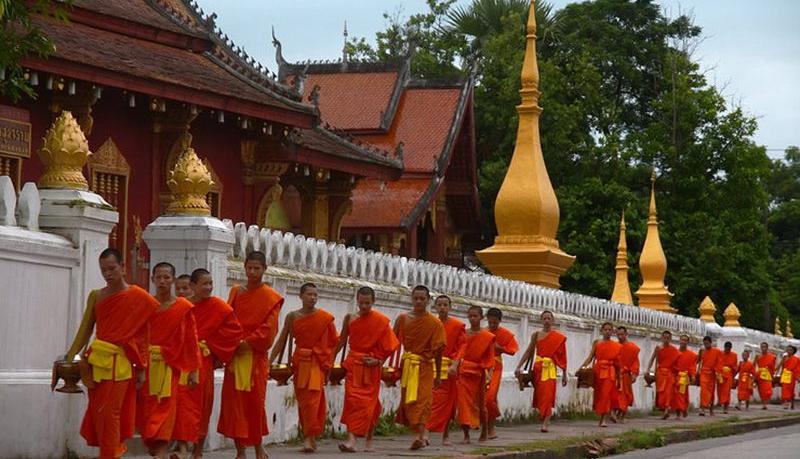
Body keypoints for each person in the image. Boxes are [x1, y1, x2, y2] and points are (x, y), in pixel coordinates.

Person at [63, 248, 159, 459]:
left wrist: (142, 368)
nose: (108, 274)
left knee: (111, 413)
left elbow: (143, 337)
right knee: (99, 414)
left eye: (112, 268)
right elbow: (86, 328)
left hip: (120, 365)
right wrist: (70, 356)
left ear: (123, 267)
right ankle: (112, 451)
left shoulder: (139, 297)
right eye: (103, 270)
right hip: (96, 363)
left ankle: (110, 455)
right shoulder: (97, 296)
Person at [218, 252, 284, 459]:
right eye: (249, 268)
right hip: (235, 356)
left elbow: (269, 328)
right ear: (244, 268)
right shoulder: (236, 292)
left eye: (257, 268)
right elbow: (227, 319)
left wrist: (247, 342)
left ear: (265, 269)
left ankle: (258, 447)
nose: (253, 272)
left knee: (255, 404)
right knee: (234, 404)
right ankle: (240, 451)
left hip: (255, 357)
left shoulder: (271, 297)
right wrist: (233, 342)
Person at [176, 268, 243, 459]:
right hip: (183, 361)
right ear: (193, 286)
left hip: (203, 360)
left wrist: (212, 346)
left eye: (210, 283)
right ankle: (182, 447)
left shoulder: (219, 306)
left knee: (203, 405)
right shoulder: (182, 306)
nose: (208, 287)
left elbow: (234, 332)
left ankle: (197, 450)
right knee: (182, 403)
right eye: (204, 284)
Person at [137, 262, 201, 459]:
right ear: (152, 279)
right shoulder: (146, 304)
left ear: (173, 279)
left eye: (167, 277)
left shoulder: (183, 307)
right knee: (148, 409)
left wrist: (193, 371)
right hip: (147, 365)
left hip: (170, 365)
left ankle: (162, 450)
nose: (162, 281)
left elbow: (191, 340)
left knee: (165, 408)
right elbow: (137, 335)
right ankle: (155, 446)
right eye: (159, 277)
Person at [270, 283, 338, 453]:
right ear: (300, 296)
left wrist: (328, 365)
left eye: (315, 295)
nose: (312, 298)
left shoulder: (325, 318)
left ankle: (309, 438)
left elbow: (332, 344)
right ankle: (310, 436)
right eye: (309, 294)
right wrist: (269, 359)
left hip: (316, 364)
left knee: (313, 401)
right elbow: (282, 339)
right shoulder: (292, 317)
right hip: (300, 364)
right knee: (304, 402)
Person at [336, 286, 399, 453]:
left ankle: (369, 439)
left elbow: (391, 345)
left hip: (371, 369)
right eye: (361, 303)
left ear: (373, 302)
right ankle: (351, 440)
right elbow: (341, 341)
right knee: (352, 401)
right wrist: (329, 359)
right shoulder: (350, 318)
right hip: (353, 365)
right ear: (357, 300)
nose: (364, 306)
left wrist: (378, 360)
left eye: (368, 303)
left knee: (369, 405)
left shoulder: (380, 321)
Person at [393, 285, 447, 450]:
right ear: (411, 299)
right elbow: (391, 343)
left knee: (422, 401)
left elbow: (438, 351)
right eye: (415, 298)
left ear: (428, 300)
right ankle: (420, 435)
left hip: (424, 366)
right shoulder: (402, 318)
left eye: (422, 299)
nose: (418, 301)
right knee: (409, 401)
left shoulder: (435, 323)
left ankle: (419, 436)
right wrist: (388, 366)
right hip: (408, 365)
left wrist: (438, 374)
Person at [514, 310, 567, 433]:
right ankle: (544, 416)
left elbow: (563, 356)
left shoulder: (558, 337)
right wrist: (519, 366)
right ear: (541, 320)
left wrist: (564, 373)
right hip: (538, 368)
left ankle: (545, 423)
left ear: (553, 321)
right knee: (540, 396)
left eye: (549, 318)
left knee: (548, 396)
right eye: (544, 318)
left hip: (550, 370)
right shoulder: (536, 335)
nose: (547, 321)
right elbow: (529, 351)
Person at [426, 295, 466, 445]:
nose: (442, 308)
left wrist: (455, 364)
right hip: (431, 366)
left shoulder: (457, 326)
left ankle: (446, 434)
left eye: (445, 305)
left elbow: (462, 346)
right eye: (439, 305)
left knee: (449, 403)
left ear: (450, 307)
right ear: (435, 307)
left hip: (449, 368)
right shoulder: (430, 323)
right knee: (431, 400)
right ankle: (426, 432)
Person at [456, 306, 495, 443]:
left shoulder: (487, 337)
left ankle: (484, 431)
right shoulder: (464, 334)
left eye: (475, 316)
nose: (472, 319)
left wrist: (489, 373)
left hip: (479, 374)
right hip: (463, 373)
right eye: (470, 316)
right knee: (463, 404)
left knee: (481, 405)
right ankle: (466, 434)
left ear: (481, 318)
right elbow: (459, 352)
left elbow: (490, 358)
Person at [485, 307, 519, 438]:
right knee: (484, 398)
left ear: (500, 321)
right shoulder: (483, 332)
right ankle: (486, 427)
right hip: (482, 367)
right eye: (490, 322)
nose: (492, 325)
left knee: (490, 397)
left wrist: (501, 348)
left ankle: (491, 428)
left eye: (495, 323)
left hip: (496, 366)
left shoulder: (505, 334)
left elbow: (513, 350)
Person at [580, 322, 621, 427]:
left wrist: (619, 378)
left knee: (606, 395)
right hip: (598, 371)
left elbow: (618, 364)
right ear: (601, 331)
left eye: (609, 330)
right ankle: (601, 416)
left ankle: (604, 419)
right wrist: (582, 367)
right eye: (605, 330)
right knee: (599, 395)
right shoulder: (597, 343)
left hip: (610, 372)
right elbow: (590, 357)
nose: (607, 332)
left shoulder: (616, 346)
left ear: (612, 331)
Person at [644, 330, 679, 419]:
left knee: (668, 393)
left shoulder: (674, 350)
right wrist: (648, 369)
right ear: (662, 338)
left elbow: (677, 363)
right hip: (660, 373)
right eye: (664, 338)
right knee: (661, 393)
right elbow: (652, 359)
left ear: (670, 339)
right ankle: (664, 411)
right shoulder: (658, 348)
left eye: (668, 338)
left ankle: (667, 409)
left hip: (669, 374)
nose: (666, 340)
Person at [613, 326, 640, 423]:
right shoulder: (614, 346)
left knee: (626, 396)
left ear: (626, 334)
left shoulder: (632, 348)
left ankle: (622, 416)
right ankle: (614, 413)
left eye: (622, 334)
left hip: (626, 375)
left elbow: (635, 362)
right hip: (616, 374)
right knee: (615, 395)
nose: (620, 337)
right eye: (618, 335)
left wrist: (634, 374)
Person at [671, 334, 697, 418]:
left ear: (687, 342)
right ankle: (678, 412)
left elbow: (692, 366)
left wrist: (693, 376)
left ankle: (684, 408)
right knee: (676, 395)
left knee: (684, 395)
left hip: (685, 378)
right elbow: (672, 365)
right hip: (676, 376)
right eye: (682, 340)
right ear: (679, 341)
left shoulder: (692, 355)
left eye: (685, 340)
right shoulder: (675, 353)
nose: (683, 342)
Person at [696, 336, 722, 416]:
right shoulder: (702, 351)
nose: (706, 345)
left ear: (711, 343)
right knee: (703, 391)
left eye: (707, 343)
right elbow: (697, 361)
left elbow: (719, 362)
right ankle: (702, 409)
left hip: (712, 374)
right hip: (703, 373)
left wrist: (718, 372)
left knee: (711, 392)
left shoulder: (717, 351)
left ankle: (711, 409)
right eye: (704, 344)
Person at [776, 345, 799, 410]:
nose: (789, 351)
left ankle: (791, 403)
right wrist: (780, 374)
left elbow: (797, 368)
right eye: (788, 349)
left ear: (793, 351)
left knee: (791, 390)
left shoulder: (796, 359)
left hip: (791, 376)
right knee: (784, 389)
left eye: (790, 350)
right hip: (784, 375)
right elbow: (781, 366)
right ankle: (786, 402)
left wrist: (797, 377)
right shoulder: (785, 357)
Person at [717, 341, 738, 414]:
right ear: (724, 347)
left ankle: (726, 407)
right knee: (720, 391)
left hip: (729, 375)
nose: (727, 350)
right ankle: (720, 403)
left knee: (727, 392)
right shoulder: (720, 354)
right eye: (726, 348)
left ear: (730, 348)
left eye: (728, 349)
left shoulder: (734, 355)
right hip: (721, 375)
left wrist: (733, 376)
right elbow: (717, 364)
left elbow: (735, 367)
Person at [755, 342, 777, 410]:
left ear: (767, 348)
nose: (763, 348)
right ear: (760, 348)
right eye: (762, 347)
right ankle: (764, 404)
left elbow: (773, 367)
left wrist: (773, 375)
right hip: (760, 374)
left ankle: (765, 402)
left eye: (764, 346)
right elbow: (754, 365)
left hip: (768, 374)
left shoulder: (772, 357)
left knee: (768, 391)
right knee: (761, 390)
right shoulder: (758, 356)